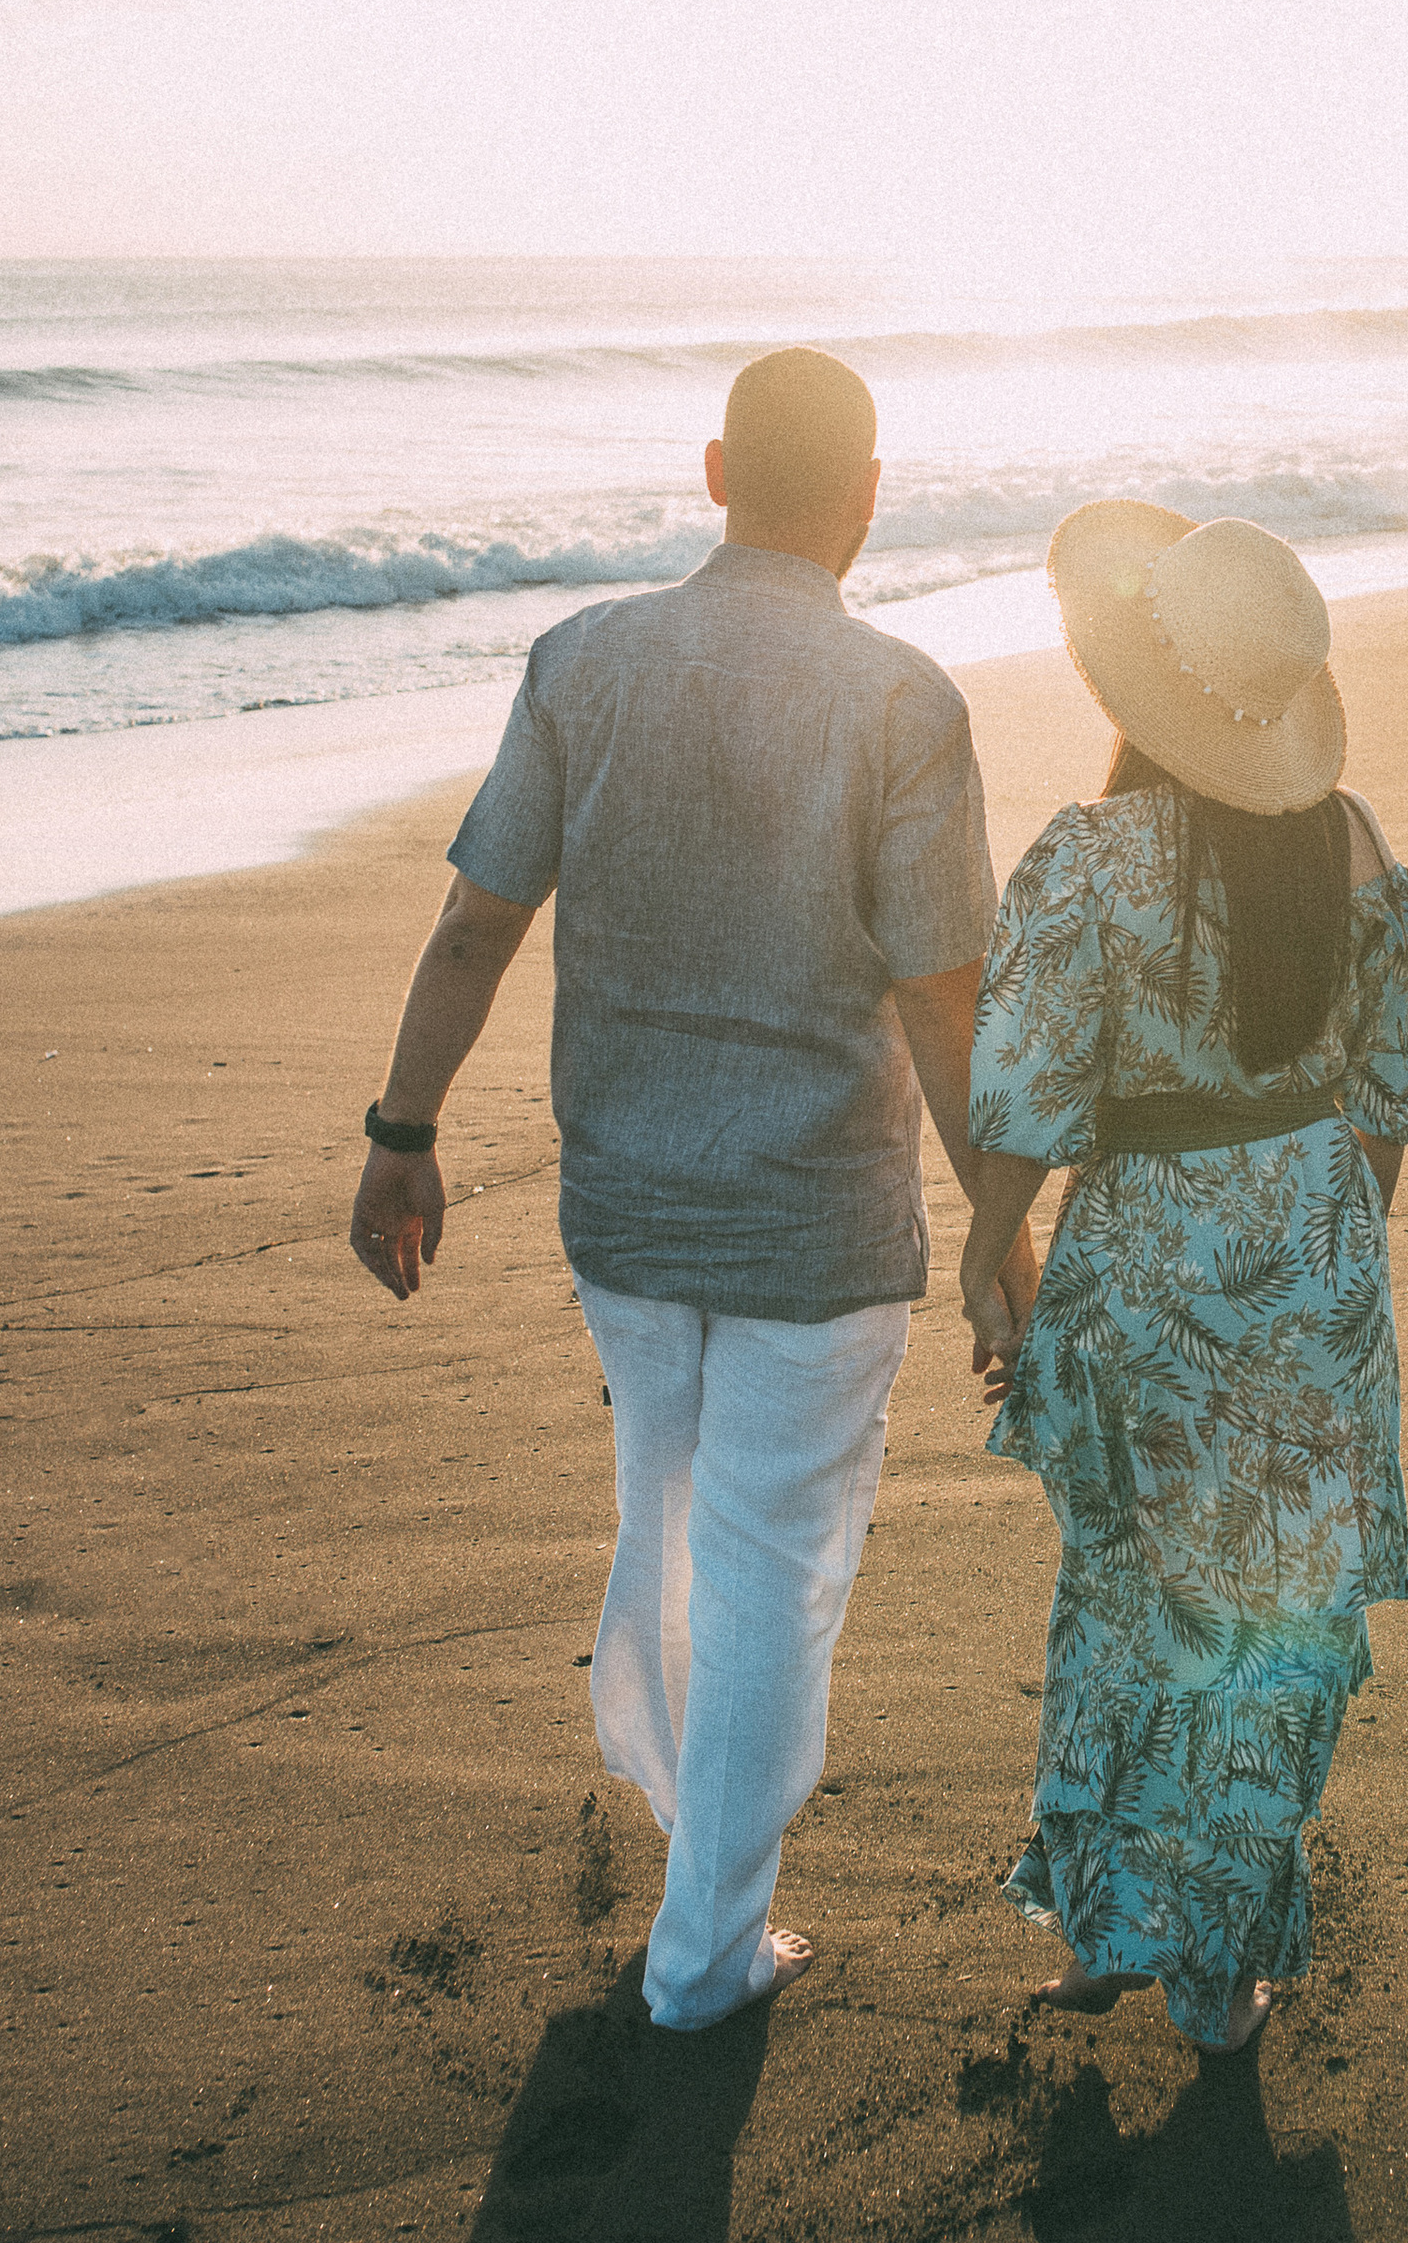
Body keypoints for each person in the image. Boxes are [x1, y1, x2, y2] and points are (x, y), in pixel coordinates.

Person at [348, 346, 1030, 2029]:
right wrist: (1004, 1223)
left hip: (633, 1217)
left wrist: (402, 1127)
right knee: (771, 1576)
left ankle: (690, 1840)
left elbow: (479, 917)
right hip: (820, 1222)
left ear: (716, 468)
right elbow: (948, 995)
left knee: (667, 1528)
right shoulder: (899, 700)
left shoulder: (586, 661)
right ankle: (706, 1949)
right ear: (871, 497)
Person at [957, 503, 1408, 2056]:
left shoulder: (1091, 859)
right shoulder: (1357, 846)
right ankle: (1219, 1966)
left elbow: (1021, 1096)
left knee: (1123, 1597)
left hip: (1142, 1262)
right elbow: (1395, 1089)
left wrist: (990, 1255)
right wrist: (1327, 1239)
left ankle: (1109, 1923)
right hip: (1315, 1248)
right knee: (1272, 1618)